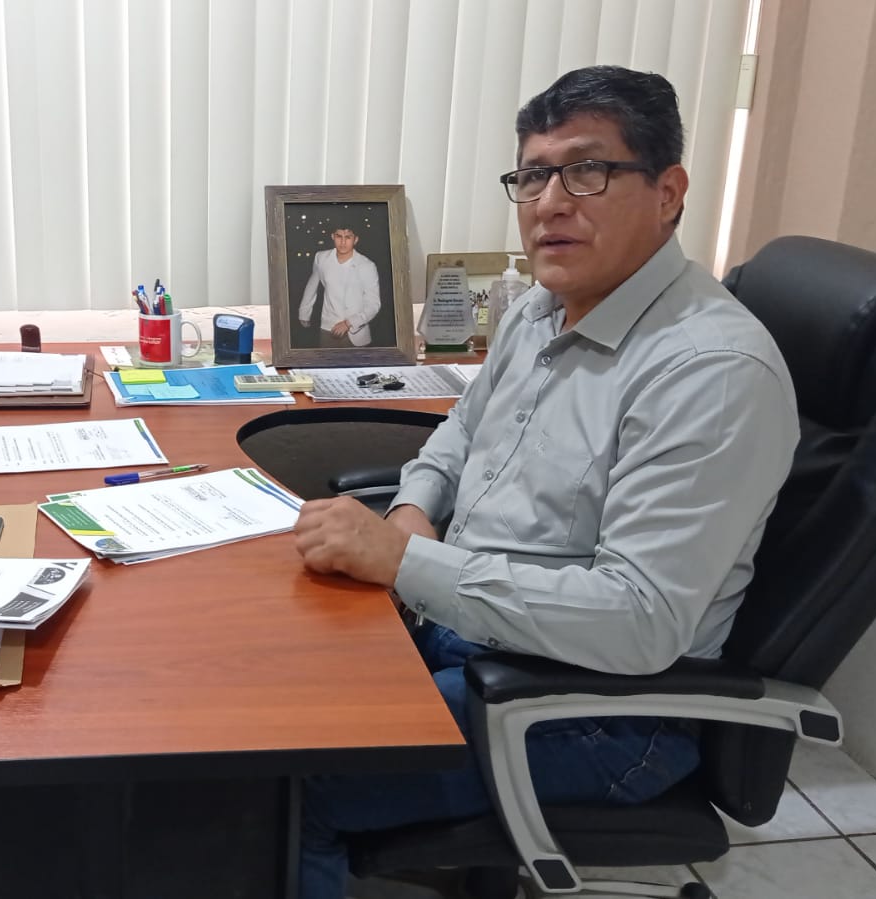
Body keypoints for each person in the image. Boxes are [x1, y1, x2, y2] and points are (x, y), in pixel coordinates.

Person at [290, 66, 799, 898]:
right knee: (261, 695)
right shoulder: (539, 306)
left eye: (587, 171)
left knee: (289, 780)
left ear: (668, 192)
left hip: (598, 707)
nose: (549, 203)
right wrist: (413, 509)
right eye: (532, 175)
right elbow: (460, 431)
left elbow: (639, 621)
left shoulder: (709, 372)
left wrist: (404, 562)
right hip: (473, 633)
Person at [297, 226, 382, 347]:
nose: (343, 242)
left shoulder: (367, 266)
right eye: (339, 236)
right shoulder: (321, 258)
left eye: (348, 237)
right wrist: (304, 312)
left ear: (355, 239)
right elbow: (312, 285)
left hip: (356, 333)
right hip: (328, 329)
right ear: (332, 236)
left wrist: (349, 323)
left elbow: (373, 304)